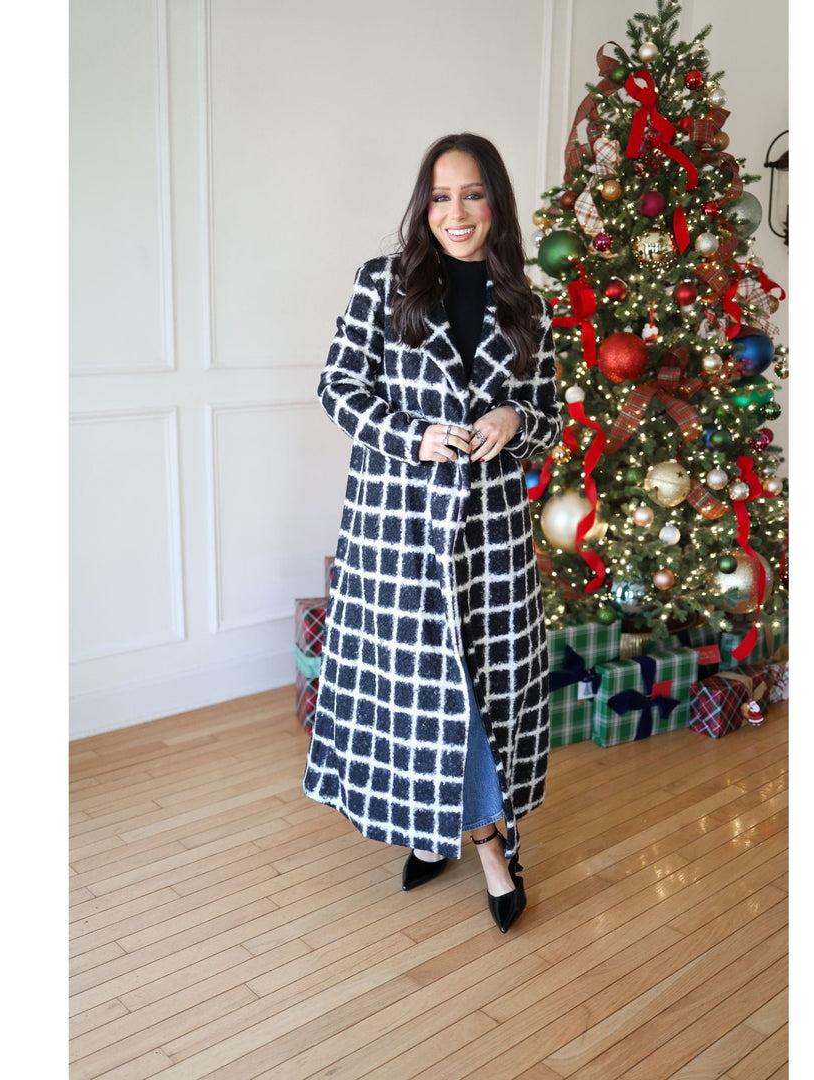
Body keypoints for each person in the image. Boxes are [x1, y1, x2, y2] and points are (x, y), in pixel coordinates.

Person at [303, 133, 562, 934]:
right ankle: (458, 839)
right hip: (399, 532)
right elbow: (337, 386)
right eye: (443, 196)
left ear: (497, 205)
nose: (458, 212)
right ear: (425, 205)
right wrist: (409, 434)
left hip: (488, 536)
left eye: (474, 194)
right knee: (416, 695)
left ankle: (476, 840)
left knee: (481, 689)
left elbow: (547, 417)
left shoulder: (527, 301)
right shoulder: (383, 283)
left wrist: (514, 416)